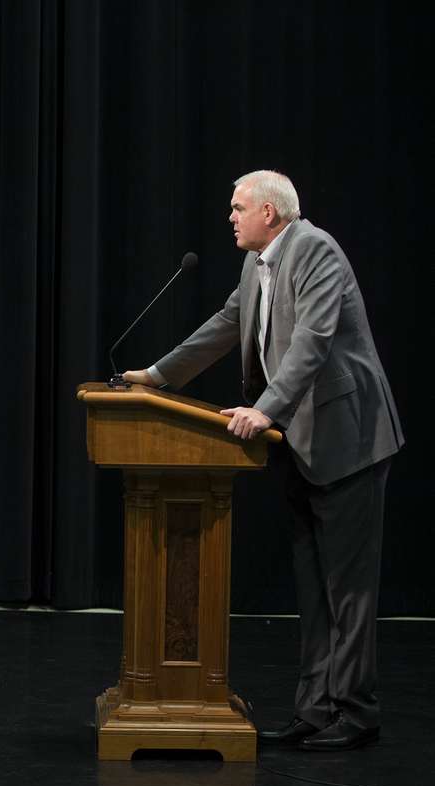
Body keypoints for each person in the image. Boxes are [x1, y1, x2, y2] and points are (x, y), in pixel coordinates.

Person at [123, 170, 404, 752]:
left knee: (346, 588)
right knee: (311, 584)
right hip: (301, 444)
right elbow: (226, 326)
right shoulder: (256, 265)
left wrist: (266, 410)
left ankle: (356, 711)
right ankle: (316, 708)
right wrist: (157, 376)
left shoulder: (317, 252)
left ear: (270, 214)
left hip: (348, 439)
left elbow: (313, 342)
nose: (230, 217)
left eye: (238, 208)